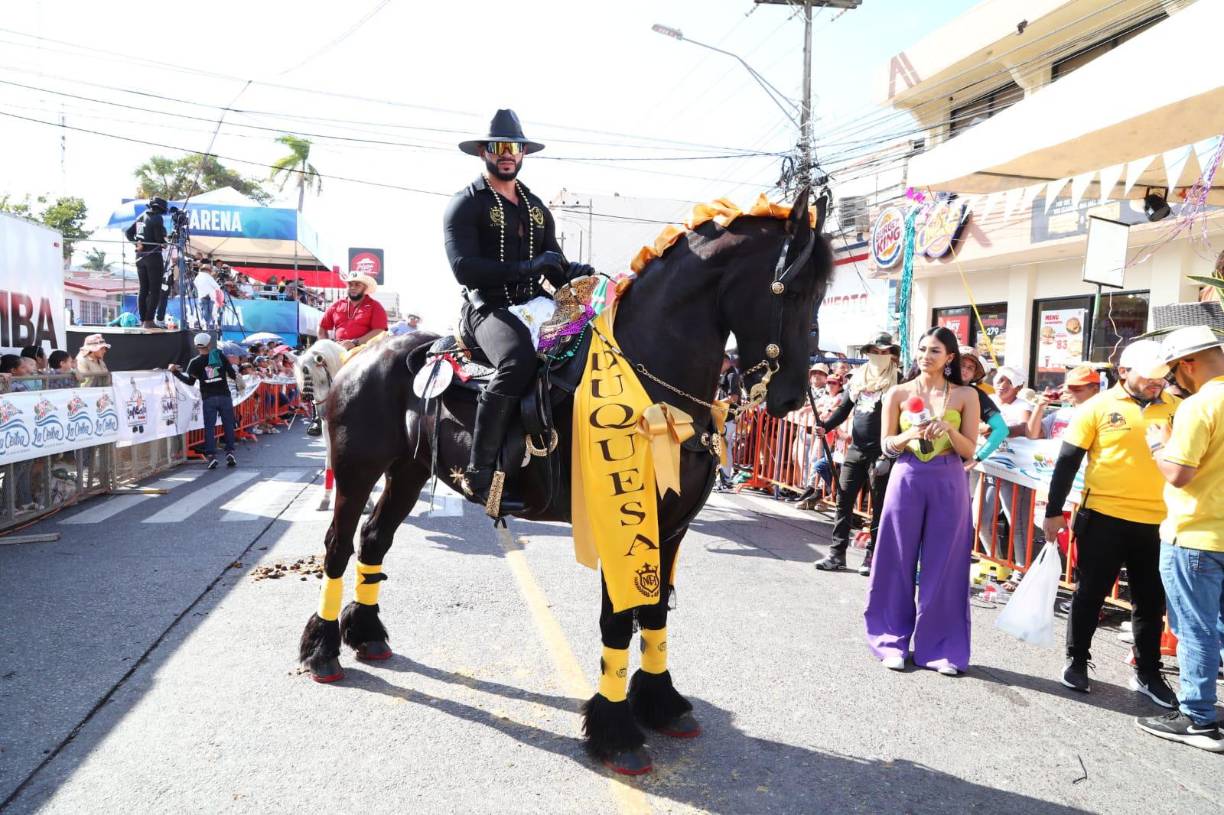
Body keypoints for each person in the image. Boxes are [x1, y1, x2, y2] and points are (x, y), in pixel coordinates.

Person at [442, 108, 592, 505]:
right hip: (486, 308)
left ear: (524, 153)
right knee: (517, 361)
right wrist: (528, 266)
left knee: (592, 343)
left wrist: (575, 276)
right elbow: (463, 268)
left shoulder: (536, 206)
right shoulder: (465, 204)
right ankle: (480, 470)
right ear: (484, 153)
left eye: (514, 147)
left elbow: (555, 265)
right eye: (499, 147)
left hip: (534, 304)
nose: (507, 153)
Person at [1042, 339, 1177, 705]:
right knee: (1090, 593)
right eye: (1149, 377)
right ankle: (1077, 661)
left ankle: (1148, 672)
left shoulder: (1178, 408)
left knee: (1151, 602)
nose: (1156, 383)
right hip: (1103, 518)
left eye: (1161, 377)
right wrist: (1053, 511)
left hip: (1158, 523)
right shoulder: (1097, 407)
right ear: (1123, 372)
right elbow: (1068, 461)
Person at [865, 326, 980, 674]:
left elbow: (970, 450)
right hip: (907, 474)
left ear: (949, 358)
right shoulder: (898, 393)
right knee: (895, 557)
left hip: (948, 478)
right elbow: (885, 444)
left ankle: (941, 649)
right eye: (922, 349)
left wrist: (949, 430)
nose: (926, 356)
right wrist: (908, 435)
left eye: (934, 351)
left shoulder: (965, 395)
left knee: (945, 564)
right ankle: (890, 642)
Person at [1134, 327, 1224, 752]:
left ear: (1187, 364)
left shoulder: (1200, 405)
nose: (1173, 382)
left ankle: (1199, 719)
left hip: (1195, 533)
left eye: (1173, 372)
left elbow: (1178, 472)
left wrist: (1158, 446)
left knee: (1197, 630)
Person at [813, 333, 903, 575]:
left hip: (882, 452)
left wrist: (891, 452)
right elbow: (844, 410)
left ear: (892, 355)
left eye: (885, 352)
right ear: (868, 353)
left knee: (880, 506)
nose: (880, 356)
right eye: (876, 351)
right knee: (843, 501)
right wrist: (826, 426)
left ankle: (872, 555)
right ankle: (836, 554)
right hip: (856, 449)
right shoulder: (858, 380)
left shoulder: (899, 382)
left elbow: (902, 420)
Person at [171, 333, 242, 470]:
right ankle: (230, 453)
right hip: (224, 395)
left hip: (208, 397)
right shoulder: (218, 355)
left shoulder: (195, 362)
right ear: (209, 344)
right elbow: (232, 374)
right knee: (228, 424)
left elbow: (190, 382)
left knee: (209, 427)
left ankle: (211, 456)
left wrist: (175, 372)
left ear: (196, 346)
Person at [1025, 365, 1102, 441]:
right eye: (1068, 387)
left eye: (1076, 388)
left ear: (1095, 389)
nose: (1069, 391)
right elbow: (1032, 435)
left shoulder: (1102, 416)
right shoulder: (1062, 413)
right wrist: (1039, 407)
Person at [124, 196, 168, 328]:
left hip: (139, 257)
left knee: (143, 289)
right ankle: (149, 320)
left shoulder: (141, 216)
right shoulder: (157, 218)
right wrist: (165, 241)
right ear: (161, 209)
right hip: (153, 257)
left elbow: (128, 233)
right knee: (155, 291)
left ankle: (143, 319)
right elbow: (159, 239)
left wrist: (136, 244)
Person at [318, 271, 388, 352]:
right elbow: (321, 329)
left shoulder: (375, 306)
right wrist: (327, 348)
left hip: (365, 352)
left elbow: (379, 331)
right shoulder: (336, 305)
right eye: (350, 284)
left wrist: (355, 342)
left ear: (365, 288)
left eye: (357, 285)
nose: (353, 287)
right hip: (339, 350)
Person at [716, 353, 743, 490]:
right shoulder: (725, 375)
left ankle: (725, 479)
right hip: (723, 417)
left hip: (729, 417)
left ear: (726, 362)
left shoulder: (732, 375)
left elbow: (733, 397)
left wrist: (715, 403)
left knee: (725, 448)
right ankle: (722, 477)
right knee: (722, 448)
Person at [194, 265, 222, 330]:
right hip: (209, 297)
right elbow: (217, 287)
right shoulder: (208, 276)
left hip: (202, 296)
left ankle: (203, 326)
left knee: (203, 312)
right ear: (207, 270)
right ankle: (206, 327)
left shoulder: (198, 277)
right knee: (208, 313)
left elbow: (195, 283)